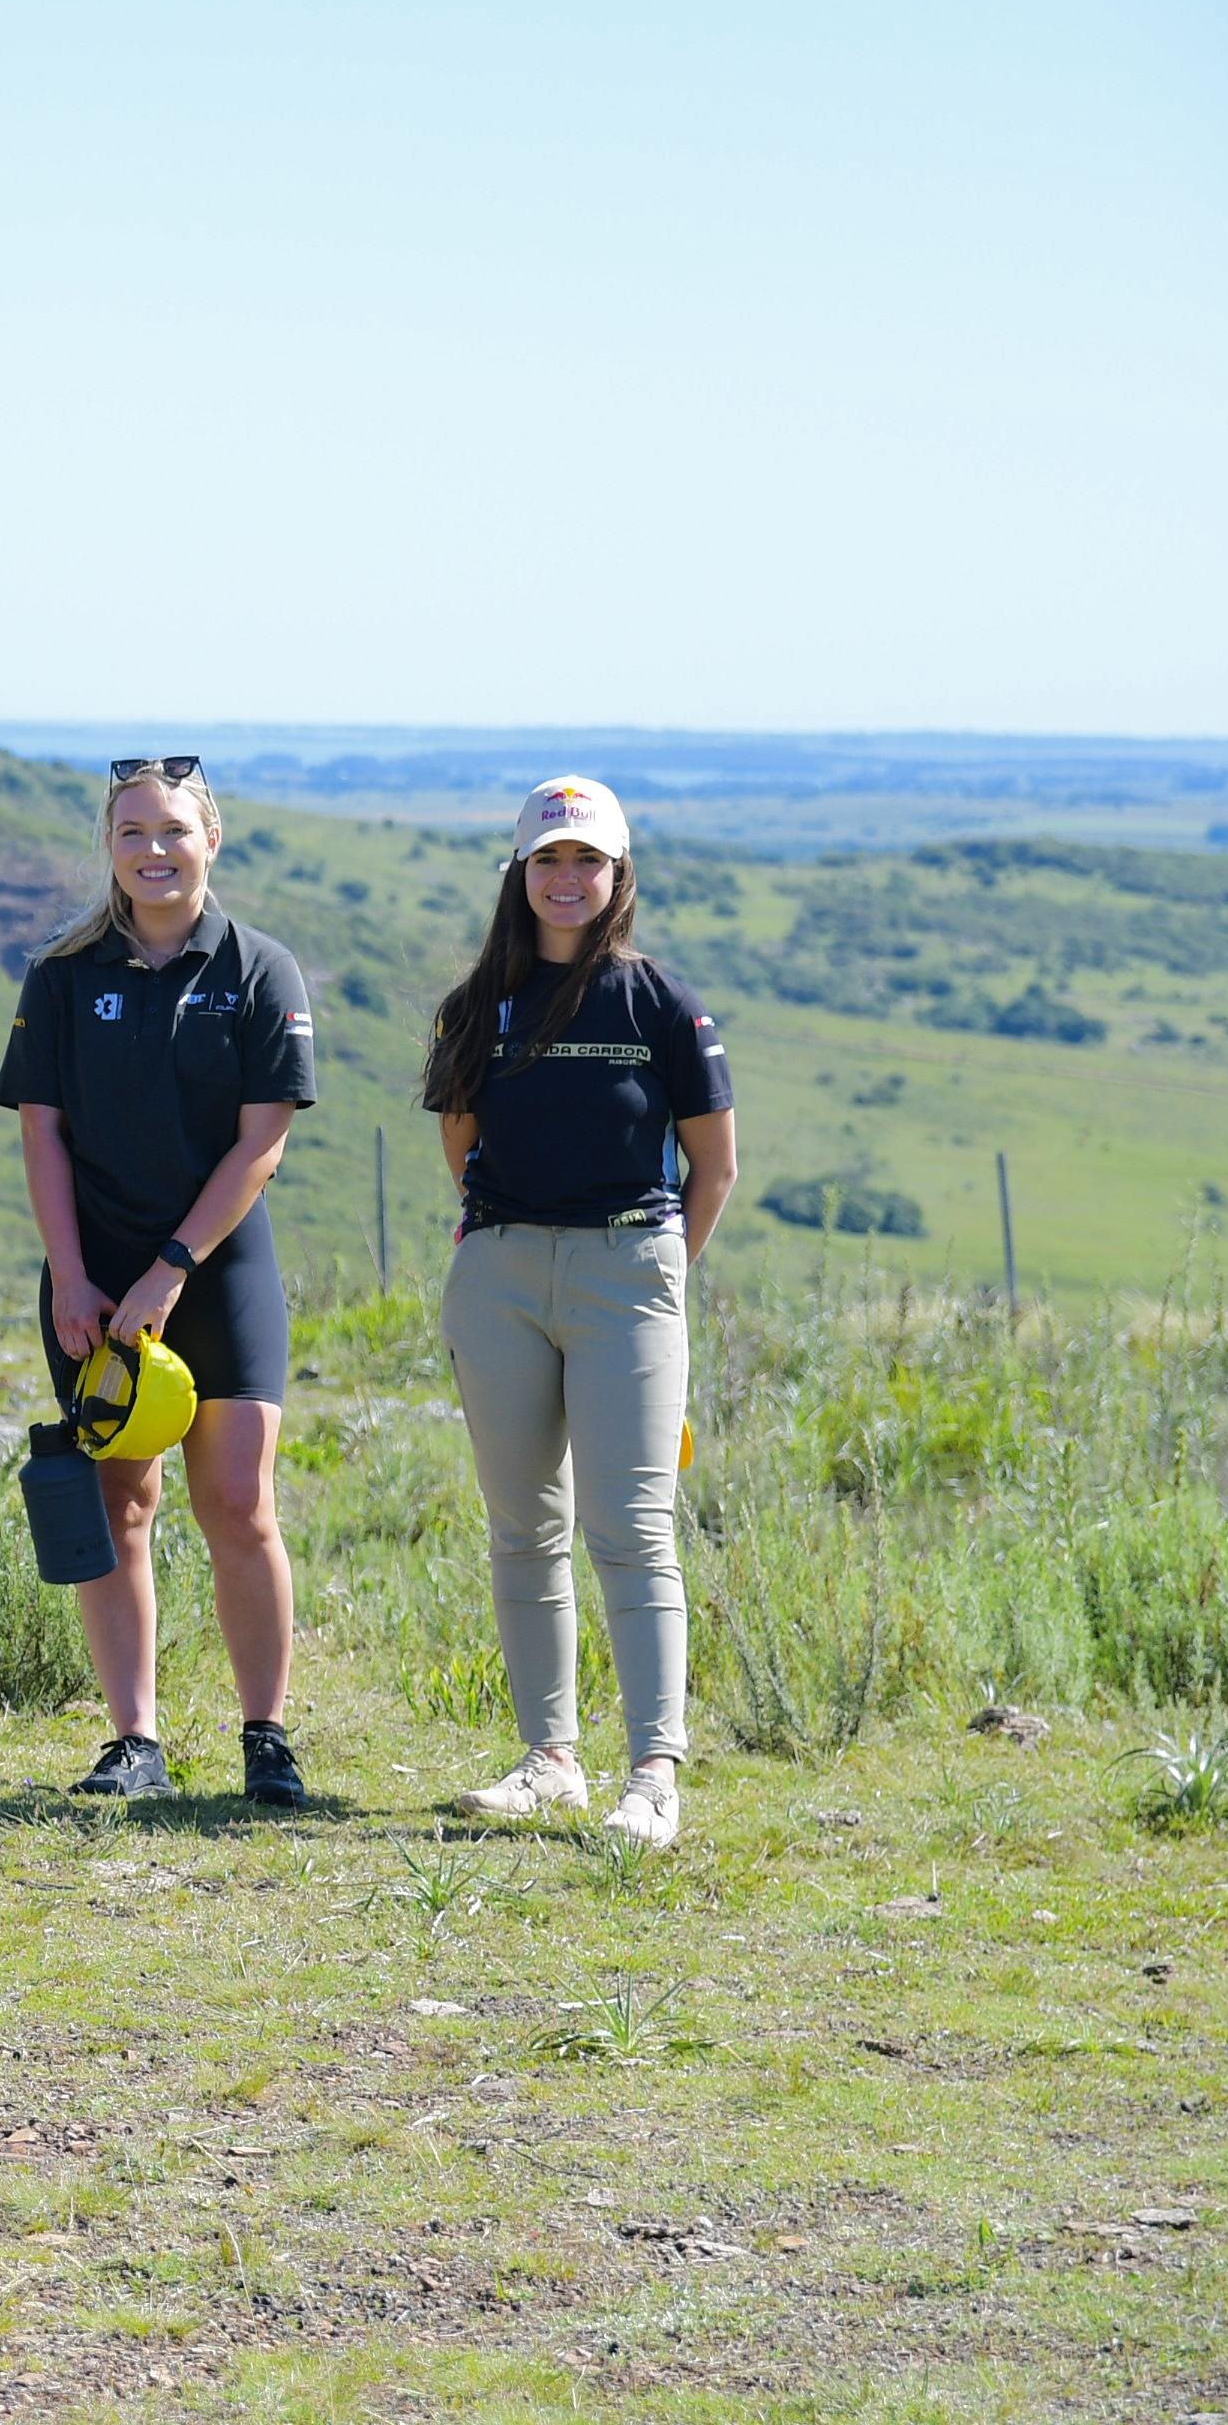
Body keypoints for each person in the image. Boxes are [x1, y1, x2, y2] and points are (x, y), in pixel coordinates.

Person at [0, 758, 318, 1805]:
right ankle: (133, 1744)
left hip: (219, 1273)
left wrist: (171, 1270)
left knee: (237, 1504)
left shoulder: (261, 970)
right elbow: (41, 1137)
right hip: (91, 1278)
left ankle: (266, 1737)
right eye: (133, 832)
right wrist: (72, 1277)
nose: (154, 850)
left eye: (174, 830)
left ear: (211, 840)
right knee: (119, 1504)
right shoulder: (61, 975)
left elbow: (261, 1145)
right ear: (110, 846)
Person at [426, 774, 736, 1850]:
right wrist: (505, 1245)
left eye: (587, 861)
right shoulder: (477, 1006)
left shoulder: (663, 1003)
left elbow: (715, 1164)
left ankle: (653, 1776)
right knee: (524, 1530)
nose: (568, 879)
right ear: (520, 875)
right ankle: (549, 1760)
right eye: (548, 860)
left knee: (635, 1528)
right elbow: (460, 1141)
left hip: (629, 1276)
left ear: (619, 876)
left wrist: (656, 1274)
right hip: (502, 1273)